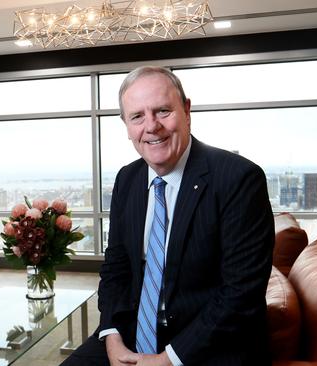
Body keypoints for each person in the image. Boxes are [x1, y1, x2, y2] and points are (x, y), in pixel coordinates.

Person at [61, 66, 274, 366]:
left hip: (209, 342)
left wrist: (168, 359)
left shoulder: (238, 179)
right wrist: (111, 336)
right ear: (126, 125)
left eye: (162, 111)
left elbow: (241, 294)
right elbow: (116, 269)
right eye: (137, 116)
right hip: (133, 333)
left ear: (186, 111)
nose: (151, 126)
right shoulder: (128, 179)